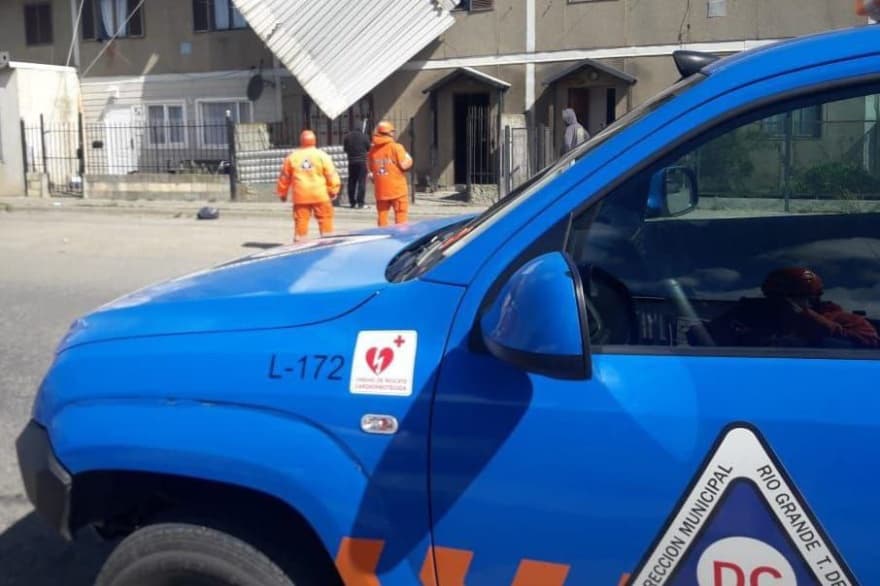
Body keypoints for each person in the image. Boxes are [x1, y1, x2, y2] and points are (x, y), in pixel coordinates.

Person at [703, 267, 880, 349]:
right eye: (775, 299)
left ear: (814, 298)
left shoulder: (841, 319)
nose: (782, 306)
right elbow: (700, 338)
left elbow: (870, 345)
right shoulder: (751, 317)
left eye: (795, 298)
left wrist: (809, 319)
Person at [276, 130, 341, 242]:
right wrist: (334, 190)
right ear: (314, 141)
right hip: (320, 195)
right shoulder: (322, 156)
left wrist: (282, 193)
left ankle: (300, 247)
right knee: (325, 220)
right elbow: (331, 174)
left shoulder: (292, 157)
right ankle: (327, 245)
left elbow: (284, 178)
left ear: (301, 141)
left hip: (301, 197)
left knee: (301, 221)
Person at [367, 120, 413, 227]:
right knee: (401, 217)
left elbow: (371, 172)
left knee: (382, 219)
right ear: (390, 133)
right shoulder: (396, 147)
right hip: (398, 190)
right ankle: (401, 238)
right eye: (393, 131)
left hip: (381, 191)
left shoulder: (372, 151)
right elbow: (404, 165)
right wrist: (409, 159)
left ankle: (383, 238)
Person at [343, 125, 371, 209]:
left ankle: (352, 202)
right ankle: (360, 203)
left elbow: (345, 149)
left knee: (351, 181)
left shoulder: (347, 137)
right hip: (362, 162)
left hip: (351, 162)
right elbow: (368, 148)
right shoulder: (364, 136)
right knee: (361, 182)